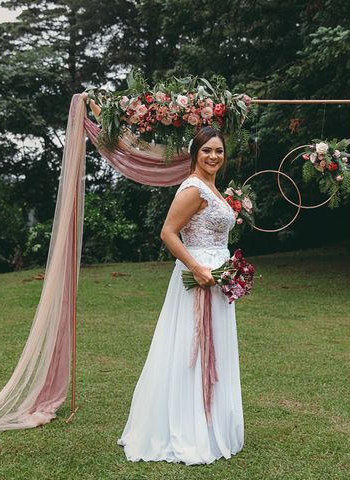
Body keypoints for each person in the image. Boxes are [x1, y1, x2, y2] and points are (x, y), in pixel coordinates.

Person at [116, 126, 244, 464]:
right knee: (193, 347)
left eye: (218, 151)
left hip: (218, 277)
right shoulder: (192, 189)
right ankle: (189, 426)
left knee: (213, 347)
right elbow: (169, 233)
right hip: (199, 277)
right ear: (195, 154)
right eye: (206, 151)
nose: (213, 156)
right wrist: (197, 268)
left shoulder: (213, 188)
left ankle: (213, 419)